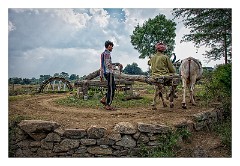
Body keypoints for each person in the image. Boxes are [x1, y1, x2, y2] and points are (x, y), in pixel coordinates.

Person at [100, 40, 116, 111]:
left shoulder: (103, 53)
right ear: (108, 46)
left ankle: (104, 99)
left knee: (111, 88)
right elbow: (108, 64)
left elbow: (102, 65)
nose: (112, 48)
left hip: (106, 73)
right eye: (111, 46)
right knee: (112, 88)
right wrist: (114, 68)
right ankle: (108, 105)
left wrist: (101, 75)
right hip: (109, 73)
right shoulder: (107, 54)